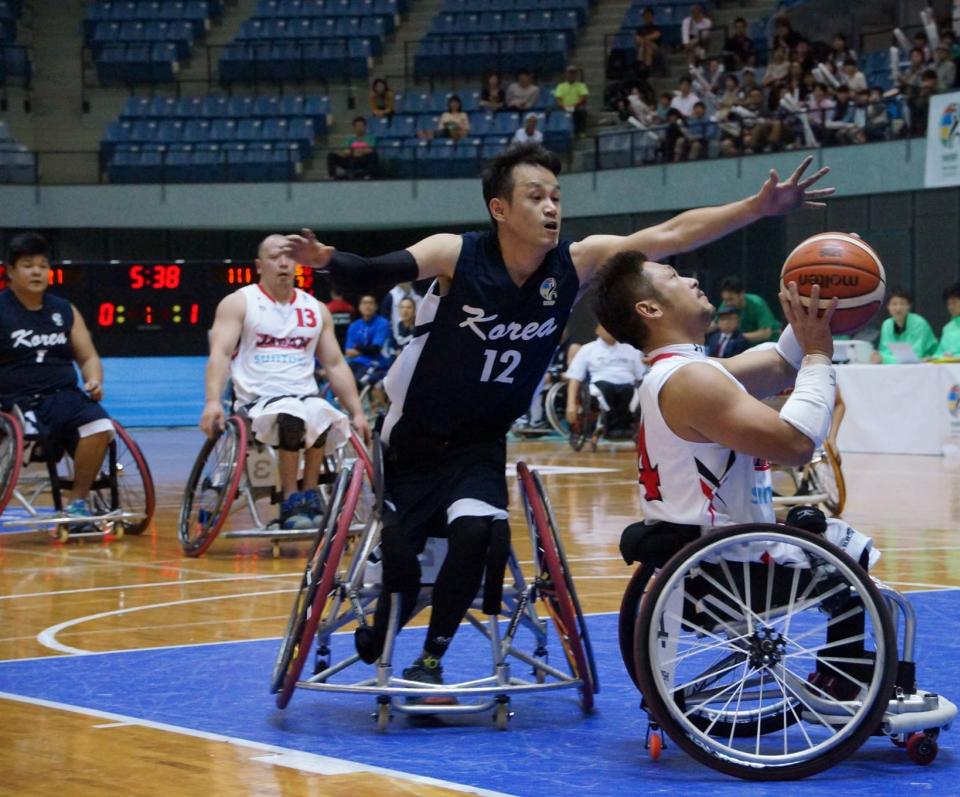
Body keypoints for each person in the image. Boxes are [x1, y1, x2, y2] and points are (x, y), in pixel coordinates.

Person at [281, 145, 834, 693]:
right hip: (412, 437)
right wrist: (328, 261)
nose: (551, 208)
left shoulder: (573, 263)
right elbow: (378, 271)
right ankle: (382, 628)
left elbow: (669, 235)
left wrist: (757, 208)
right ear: (500, 208)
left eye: (556, 197)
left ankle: (433, 657)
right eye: (535, 196)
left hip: (479, 440)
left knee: (475, 532)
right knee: (402, 562)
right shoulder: (455, 254)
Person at [593, 253, 880, 698]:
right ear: (649, 309)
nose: (690, 279)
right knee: (850, 551)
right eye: (672, 276)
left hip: (703, 556)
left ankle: (842, 671)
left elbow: (780, 364)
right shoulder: (693, 381)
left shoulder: (685, 372)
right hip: (727, 567)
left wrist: (822, 289)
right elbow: (796, 442)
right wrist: (820, 356)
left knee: (833, 540)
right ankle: (845, 673)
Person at [201, 235, 368, 530]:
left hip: (304, 397)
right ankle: (291, 498)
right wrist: (213, 401)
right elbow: (221, 353)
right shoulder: (239, 302)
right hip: (255, 401)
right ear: (258, 265)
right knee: (292, 414)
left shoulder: (316, 309)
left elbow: (334, 363)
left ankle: (310, 494)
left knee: (322, 412)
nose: (282, 263)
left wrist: (357, 411)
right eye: (274, 257)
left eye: (289, 257)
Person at [0, 232, 115, 534]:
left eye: (43, 265)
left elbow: (88, 357)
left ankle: (77, 503)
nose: (37, 271)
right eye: (28, 265)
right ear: (10, 271)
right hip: (17, 403)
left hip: (65, 396)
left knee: (100, 425)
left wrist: (94, 380)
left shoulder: (64, 310)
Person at [564, 323, 646, 438]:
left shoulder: (631, 349)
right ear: (597, 330)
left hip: (628, 385)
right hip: (600, 384)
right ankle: (610, 427)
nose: (610, 331)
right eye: (606, 328)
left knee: (629, 390)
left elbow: (641, 376)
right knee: (605, 389)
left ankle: (625, 427)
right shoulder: (587, 349)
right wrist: (571, 404)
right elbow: (575, 377)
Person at [870, 288, 937, 363]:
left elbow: (916, 355)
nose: (898, 308)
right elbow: (885, 351)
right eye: (894, 304)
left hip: (927, 365)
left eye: (902, 304)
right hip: (897, 365)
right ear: (888, 307)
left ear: (909, 306)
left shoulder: (919, 323)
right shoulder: (886, 324)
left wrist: (885, 359)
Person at [344, 292, 391, 384]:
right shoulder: (354, 325)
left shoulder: (383, 323)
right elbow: (348, 351)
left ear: (376, 306)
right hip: (354, 361)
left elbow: (375, 349)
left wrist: (358, 347)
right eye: (364, 303)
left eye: (370, 303)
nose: (367, 306)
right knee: (341, 382)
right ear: (359, 307)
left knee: (358, 383)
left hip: (376, 362)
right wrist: (366, 350)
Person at [720, 275, 780, 343]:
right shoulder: (725, 304)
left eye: (731, 299)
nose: (727, 303)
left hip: (770, 343)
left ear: (741, 294)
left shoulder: (757, 303)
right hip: (746, 346)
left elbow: (766, 333)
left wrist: (737, 338)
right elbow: (716, 323)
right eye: (725, 300)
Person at [554, 65, 589, 135]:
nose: (571, 75)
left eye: (573, 73)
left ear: (576, 75)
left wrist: (574, 106)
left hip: (576, 107)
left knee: (582, 111)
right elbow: (558, 99)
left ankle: (581, 131)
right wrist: (564, 106)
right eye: (570, 73)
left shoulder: (581, 85)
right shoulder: (560, 86)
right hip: (563, 107)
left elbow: (584, 97)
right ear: (566, 74)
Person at [634, 7, 663, 73]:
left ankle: (640, 61)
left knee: (646, 45)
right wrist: (647, 39)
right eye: (645, 16)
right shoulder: (639, 28)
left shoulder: (657, 27)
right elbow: (637, 39)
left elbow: (657, 35)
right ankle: (647, 68)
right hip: (646, 48)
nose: (647, 17)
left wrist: (644, 39)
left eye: (649, 16)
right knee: (648, 49)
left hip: (656, 49)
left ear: (652, 16)